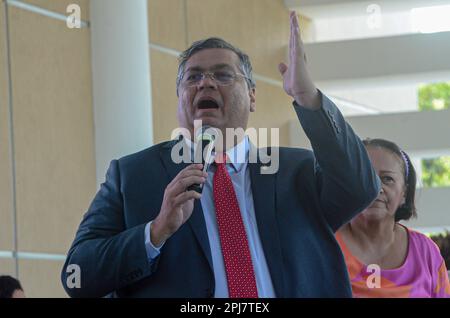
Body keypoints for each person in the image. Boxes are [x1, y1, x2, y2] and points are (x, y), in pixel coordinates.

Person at [61, 12, 380, 298]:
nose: (206, 83)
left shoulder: (298, 171)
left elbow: (361, 187)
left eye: (223, 75)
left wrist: (306, 96)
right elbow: (77, 276)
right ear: (179, 98)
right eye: (193, 77)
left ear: (252, 96)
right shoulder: (131, 176)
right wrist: (155, 231)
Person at [336, 138, 450, 298]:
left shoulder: (426, 252)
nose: (376, 188)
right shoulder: (325, 246)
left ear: (404, 192)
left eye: (387, 179)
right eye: (365, 177)